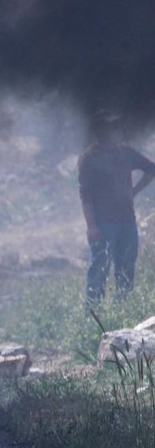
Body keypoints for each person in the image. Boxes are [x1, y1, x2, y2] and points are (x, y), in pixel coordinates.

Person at [78, 112, 155, 306]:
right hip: (103, 225)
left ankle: (122, 312)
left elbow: (151, 168)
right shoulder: (89, 158)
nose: (112, 132)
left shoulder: (125, 153)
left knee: (126, 270)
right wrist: (92, 226)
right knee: (99, 272)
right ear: (99, 131)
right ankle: (93, 315)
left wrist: (134, 191)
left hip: (127, 222)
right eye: (107, 128)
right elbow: (85, 196)